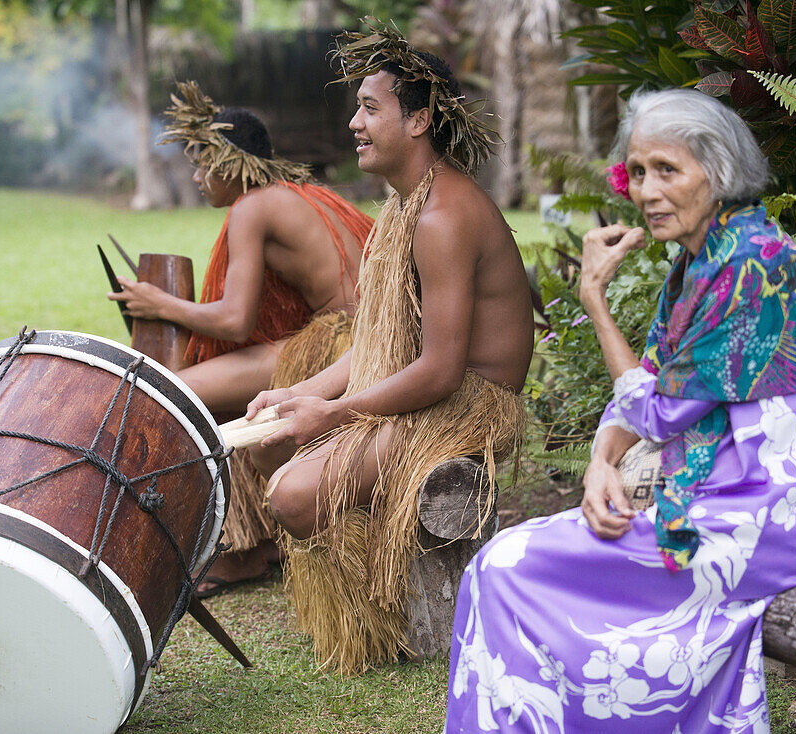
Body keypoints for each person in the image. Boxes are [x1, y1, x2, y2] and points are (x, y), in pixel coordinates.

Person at [445, 88, 796, 732]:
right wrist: (599, 465)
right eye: (637, 172)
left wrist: (594, 300)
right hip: (716, 488)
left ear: (717, 173)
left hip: (764, 519)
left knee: (503, 567)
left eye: (668, 170)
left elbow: (657, 411)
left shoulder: (755, 266)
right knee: (502, 569)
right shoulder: (701, 261)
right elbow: (642, 396)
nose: (647, 190)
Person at [243, 22, 533, 673]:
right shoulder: (403, 208)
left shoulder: (441, 217)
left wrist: (335, 416)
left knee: (293, 494)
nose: (354, 122)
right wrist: (300, 393)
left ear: (421, 120)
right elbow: (379, 343)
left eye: (370, 108)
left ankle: (375, 618)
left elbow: (439, 370)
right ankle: (376, 608)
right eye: (358, 107)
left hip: (470, 401)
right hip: (435, 387)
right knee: (275, 459)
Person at [108, 81, 374, 596]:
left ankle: (240, 549)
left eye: (202, 162)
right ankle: (256, 542)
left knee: (173, 391)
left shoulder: (251, 208)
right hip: (356, 339)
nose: (196, 175)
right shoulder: (301, 195)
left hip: (335, 345)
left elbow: (234, 320)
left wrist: (159, 305)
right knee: (211, 391)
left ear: (231, 163)